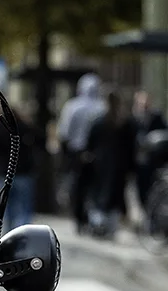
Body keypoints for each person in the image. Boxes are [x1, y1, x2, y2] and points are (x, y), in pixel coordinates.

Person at [57, 73, 107, 233]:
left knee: (78, 188)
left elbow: (64, 132)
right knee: (94, 188)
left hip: (77, 153)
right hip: (97, 154)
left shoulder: (72, 107)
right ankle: (93, 218)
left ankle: (80, 218)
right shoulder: (102, 108)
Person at [0, 105, 38, 231]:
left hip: (3, 173)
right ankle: (23, 234)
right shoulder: (25, 128)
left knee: (5, 210)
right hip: (23, 173)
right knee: (24, 209)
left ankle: (9, 235)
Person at [84, 91, 136, 238]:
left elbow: (89, 144)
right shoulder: (126, 123)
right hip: (120, 166)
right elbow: (132, 147)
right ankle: (110, 229)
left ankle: (99, 224)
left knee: (99, 196)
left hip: (100, 165)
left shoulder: (99, 122)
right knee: (115, 197)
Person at [130, 90, 167, 209]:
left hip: (154, 161)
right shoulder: (132, 120)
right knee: (140, 190)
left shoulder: (156, 117)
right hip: (138, 162)